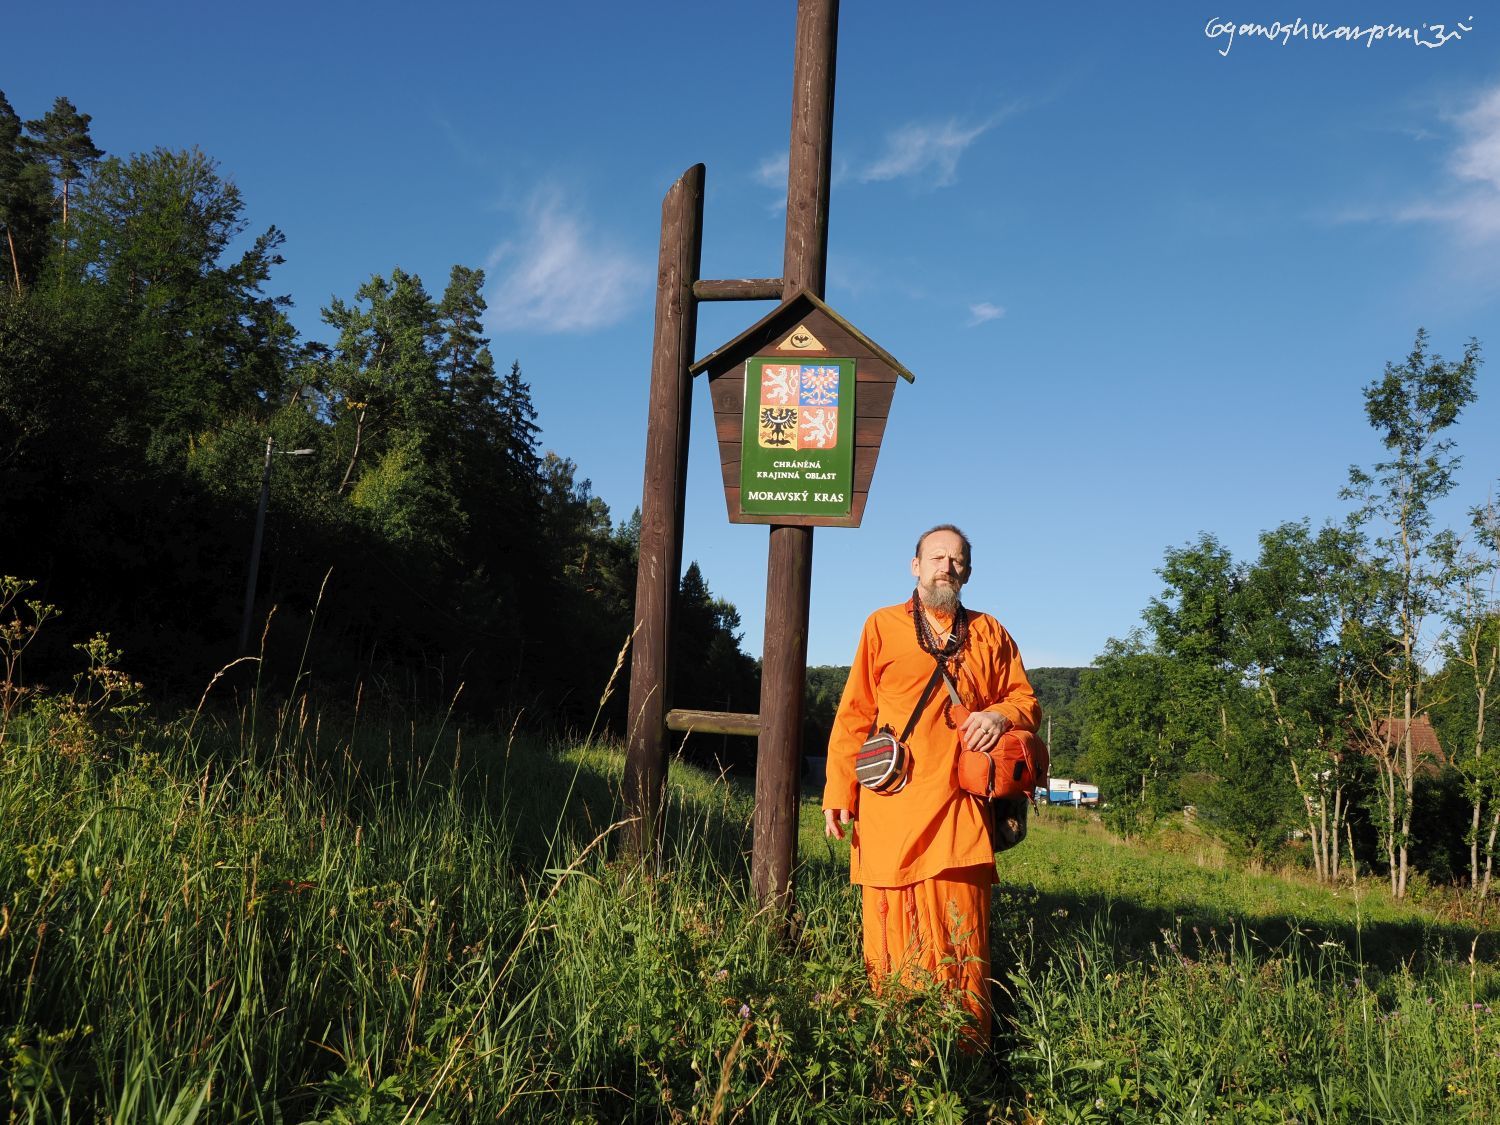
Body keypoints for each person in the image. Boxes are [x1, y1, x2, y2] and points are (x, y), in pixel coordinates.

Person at [822, 524, 1041, 1045]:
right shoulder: (881, 626)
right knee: (892, 936)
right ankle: (897, 1050)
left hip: (960, 812)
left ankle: (963, 1055)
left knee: (960, 937)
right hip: (889, 806)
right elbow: (854, 713)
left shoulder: (990, 632)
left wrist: (1000, 716)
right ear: (915, 566)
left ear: (968, 571)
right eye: (937, 556)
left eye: (957, 559)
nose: (947, 566)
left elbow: (1026, 701)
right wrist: (837, 791)